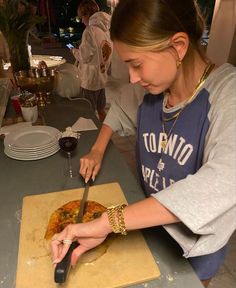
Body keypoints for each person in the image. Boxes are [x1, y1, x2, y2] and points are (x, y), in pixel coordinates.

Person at [51, 1, 236, 287]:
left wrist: (107, 222)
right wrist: (98, 149)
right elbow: (120, 107)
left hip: (196, 252)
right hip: (147, 225)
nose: (134, 78)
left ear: (177, 46)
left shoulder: (227, 95)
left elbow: (224, 181)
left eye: (137, 64)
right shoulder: (156, 88)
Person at [71, 0, 113, 121]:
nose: (81, 21)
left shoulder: (89, 31)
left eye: (81, 17)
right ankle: (106, 136)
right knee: (101, 110)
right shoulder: (106, 31)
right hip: (101, 78)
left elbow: (84, 57)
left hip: (89, 81)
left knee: (88, 114)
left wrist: (74, 51)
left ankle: (94, 137)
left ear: (86, 14)